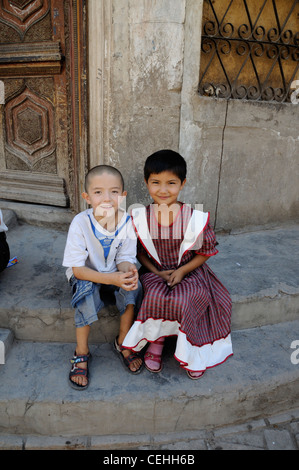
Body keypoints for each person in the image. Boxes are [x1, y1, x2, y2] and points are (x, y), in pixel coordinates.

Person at [122, 150, 233, 379]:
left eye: (171, 183)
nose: (163, 190)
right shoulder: (140, 217)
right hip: (156, 270)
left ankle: (192, 351)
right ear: (146, 183)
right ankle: (157, 342)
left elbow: (204, 252)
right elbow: (140, 253)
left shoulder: (193, 218)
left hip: (190, 270)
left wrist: (182, 270)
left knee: (187, 296)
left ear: (183, 184)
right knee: (154, 295)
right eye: (156, 182)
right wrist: (156, 272)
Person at [63, 165, 143, 390]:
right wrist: (113, 279)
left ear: (123, 196)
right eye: (98, 192)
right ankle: (81, 352)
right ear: (87, 197)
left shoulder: (126, 222)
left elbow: (125, 257)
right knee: (84, 294)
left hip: (113, 274)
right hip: (86, 275)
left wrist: (128, 270)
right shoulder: (80, 223)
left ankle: (123, 341)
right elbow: (78, 270)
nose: (107, 198)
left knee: (134, 287)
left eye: (114, 192)